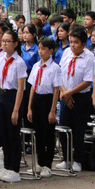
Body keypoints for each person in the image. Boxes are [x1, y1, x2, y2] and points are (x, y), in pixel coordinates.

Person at [56, 27, 94, 172]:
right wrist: (65, 92)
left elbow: (88, 81)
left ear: (83, 44)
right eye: (71, 42)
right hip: (65, 94)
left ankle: (78, 160)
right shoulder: (66, 53)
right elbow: (60, 73)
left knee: (78, 129)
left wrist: (70, 93)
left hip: (81, 96)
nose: (72, 45)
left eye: (76, 43)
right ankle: (66, 159)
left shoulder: (89, 58)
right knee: (64, 128)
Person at [0, 30, 27, 183]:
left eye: (8, 41)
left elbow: (20, 88)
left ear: (15, 44)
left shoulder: (19, 62)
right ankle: (6, 166)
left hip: (13, 97)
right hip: (2, 96)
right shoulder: (1, 60)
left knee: (13, 134)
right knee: (4, 134)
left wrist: (15, 109)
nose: (4, 43)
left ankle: (14, 168)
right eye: (3, 40)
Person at [26, 37, 62, 178]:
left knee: (48, 134)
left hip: (48, 100)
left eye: (43, 49)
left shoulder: (55, 68)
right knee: (38, 133)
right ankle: (40, 163)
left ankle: (48, 164)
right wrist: (29, 107)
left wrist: (52, 110)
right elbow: (32, 88)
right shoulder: (36, 66)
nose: (40, 51)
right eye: (39, 48)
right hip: (36, 100)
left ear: (51, 50)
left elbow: (56, 90)